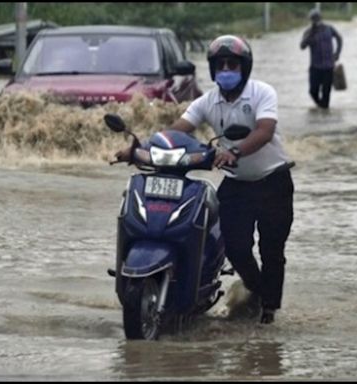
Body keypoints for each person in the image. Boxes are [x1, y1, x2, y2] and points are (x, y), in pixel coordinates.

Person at [115, 35, 295, 324]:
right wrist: (139, 150)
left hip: (273, 182)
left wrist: (234, 151)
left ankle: (268, 311)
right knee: (235, 248)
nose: (226, 69)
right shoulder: (206, 102)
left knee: (272, 251)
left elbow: (264, 130)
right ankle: (257, 290)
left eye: (232, 64)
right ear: (212, 69)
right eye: (220, 64)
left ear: (244, 68)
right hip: (237, 186)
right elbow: (176, 131)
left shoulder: (262, 93)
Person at [300, 9, 343, 109]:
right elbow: (302, 46)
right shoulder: (308, 32)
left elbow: (339, 38)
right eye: (314, 19)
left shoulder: (329, 29)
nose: (316, 20)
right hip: (315, 67)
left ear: (321, 18)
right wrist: (312, 33)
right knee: (312, 91)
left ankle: (324, 114)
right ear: (311, 20)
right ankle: (321, 107)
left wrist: (337, 53)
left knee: (326, 92)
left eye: (317, 18)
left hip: (329, 67)